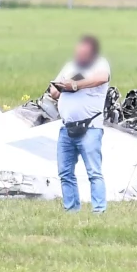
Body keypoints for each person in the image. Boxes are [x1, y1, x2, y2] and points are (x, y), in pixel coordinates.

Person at [49, 35, 111, 213]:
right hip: (67, 127)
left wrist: (76, 85)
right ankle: (71, 209)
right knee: (65, 173)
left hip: (90, 127)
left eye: (84, 52)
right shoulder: (70, 66)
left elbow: (102, 78)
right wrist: (62, 86)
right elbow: (53, 91)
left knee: (93, 172)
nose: (80, 55)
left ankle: (99, 210)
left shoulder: (100, 64)